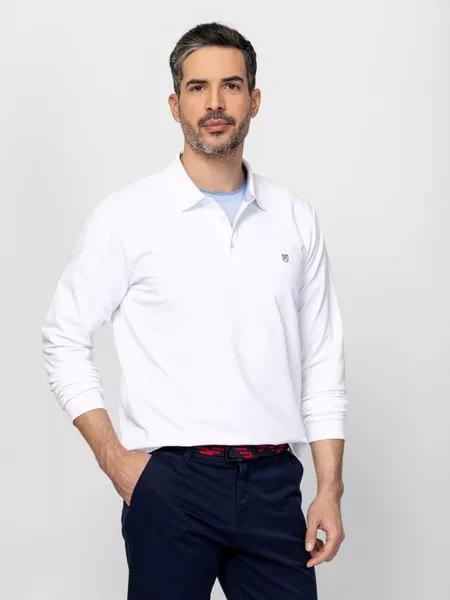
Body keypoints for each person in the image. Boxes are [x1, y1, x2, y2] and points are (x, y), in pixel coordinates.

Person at [41, 21, 347, 600]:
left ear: (254, 100)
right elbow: (63, 338)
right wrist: (116, 460)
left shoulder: (294, 218)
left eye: (231, 85)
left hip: (273, 484)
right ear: (174, 103)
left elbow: (323, 362)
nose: (215, 103)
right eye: (198, 87)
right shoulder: (127, 216)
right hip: (171, 486)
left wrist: (329, 487)